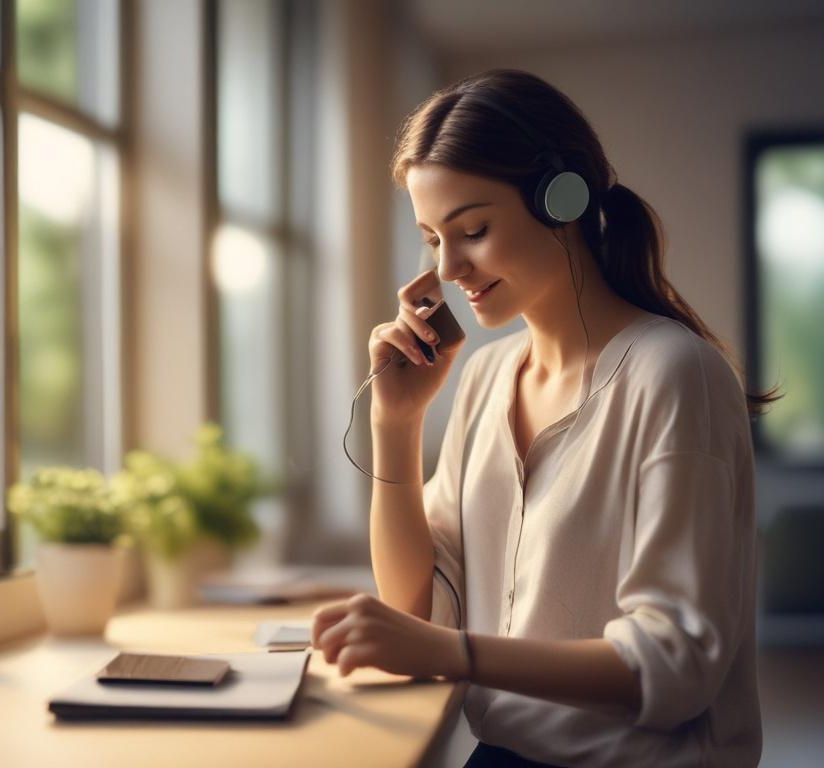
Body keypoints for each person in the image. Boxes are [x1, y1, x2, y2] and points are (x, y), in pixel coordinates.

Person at [310, 69, 776, 767]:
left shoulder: (672, 375)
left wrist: (453, 652)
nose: (450, 268)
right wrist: (396, 423)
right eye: (433, 239)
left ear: (564, 199)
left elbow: (675, 668)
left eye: (473, 230)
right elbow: (413, 609)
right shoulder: (488, 376)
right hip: (504, 753)